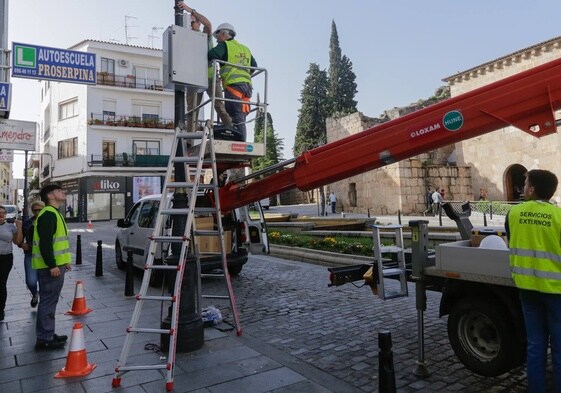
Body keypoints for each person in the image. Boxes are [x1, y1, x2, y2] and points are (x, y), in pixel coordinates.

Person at [505, 169, 561, 393]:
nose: (522, 188)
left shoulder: (514, 213)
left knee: (536, 345)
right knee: (559, 348)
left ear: (532, 189)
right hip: (556, 291)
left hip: (527, 289)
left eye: (525, 183)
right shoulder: (558, 216)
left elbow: (511, 240)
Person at [178, 2, 232, 132]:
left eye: (197, 21)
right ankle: (190, 139)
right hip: (193, 79)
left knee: (219, 106)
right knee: (192, 111)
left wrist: (190, 10)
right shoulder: (186, 39)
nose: (197, 23)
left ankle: (232, 130)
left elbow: (208, 24)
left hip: (210, 77)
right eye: (194, 22)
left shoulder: (205, 36)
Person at [33, 184, 72, 350]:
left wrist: (64, 262)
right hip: (50, 267)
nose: (63, 192)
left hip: (56, 265)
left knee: (50, 301)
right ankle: (44, 338)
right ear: (50, 196)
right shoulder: (48, 214)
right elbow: (46, 244)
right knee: (48, 301)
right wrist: (52, 265)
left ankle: (48, 333)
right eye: (59, 191)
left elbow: (58, 242)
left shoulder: (54, 213)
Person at [208, 21, 257, 140]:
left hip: (233, 87)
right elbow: (254, 66)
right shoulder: (245, 49)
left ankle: (240, 143)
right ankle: (238, 140)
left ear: (224, 34)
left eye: (218, 36)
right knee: (240, 117)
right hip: (247, 89)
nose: (217, 40)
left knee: (235, 115)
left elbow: (211, 54)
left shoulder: (225, 45)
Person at [19, 200, 45, 308]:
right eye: (35, 210)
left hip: (45, 256)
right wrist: (21, 244)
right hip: (30, 255)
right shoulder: (27, 223)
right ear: (32, 211)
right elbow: (20, 239)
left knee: (45, 283)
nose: (38, 212)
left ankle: (44, 305)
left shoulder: (48, 221)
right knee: (31, 282)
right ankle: (35, 294)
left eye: (40, 209)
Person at [0, 205, 23, 322]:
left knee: (1, 283)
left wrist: (19, 227)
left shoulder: (10, 227)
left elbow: (18, 242)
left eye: (3, 213)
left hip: (5, 258)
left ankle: (0, 309)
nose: (1, 215)